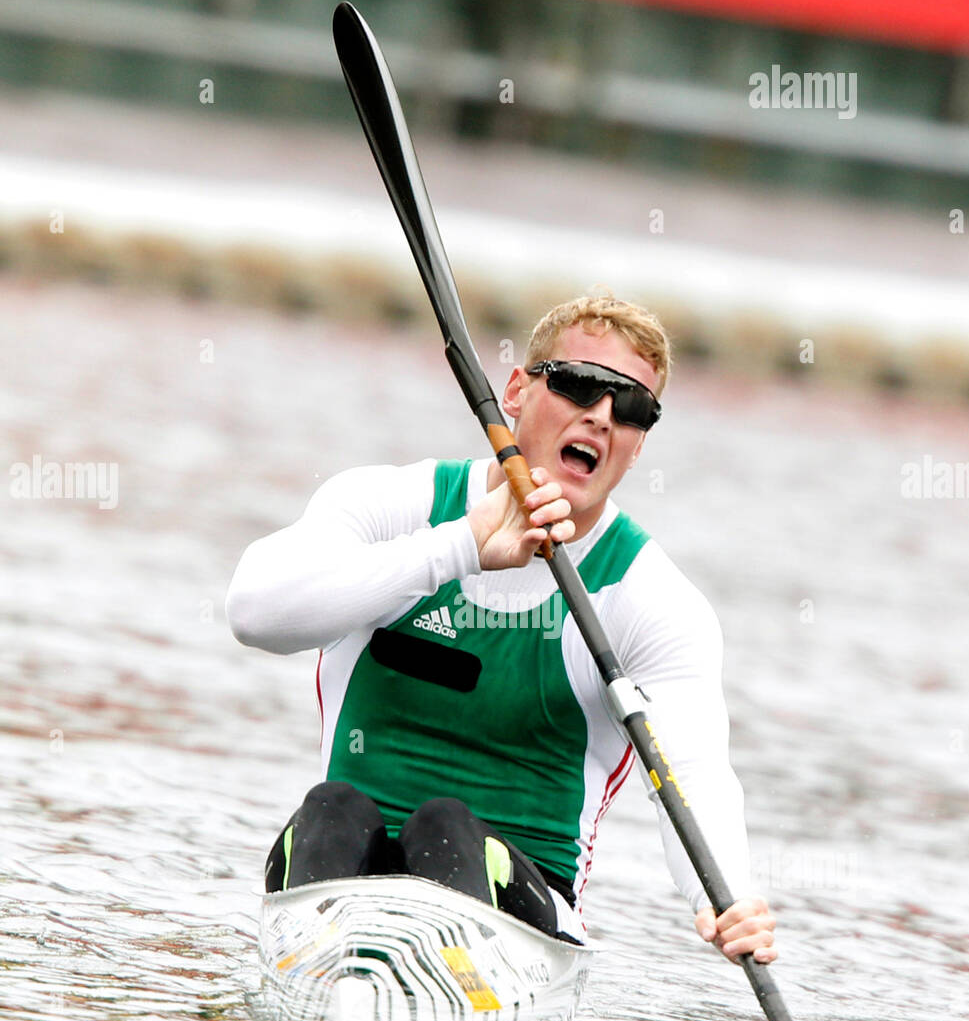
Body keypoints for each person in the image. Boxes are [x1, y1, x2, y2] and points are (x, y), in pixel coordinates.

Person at [226, 294, 776, 964]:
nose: (601, 415)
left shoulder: (648, 598)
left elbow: (691, 771)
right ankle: (322, 999)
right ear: (516, 389)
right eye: (580, 384)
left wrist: (724, 897)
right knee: (333, 808)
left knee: (446, 824)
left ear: (637, 445)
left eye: (630, 407)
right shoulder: (389, 506)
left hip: (522, 924)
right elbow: (255, 613)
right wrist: (460, 547)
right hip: (342, 887)